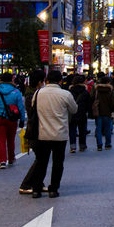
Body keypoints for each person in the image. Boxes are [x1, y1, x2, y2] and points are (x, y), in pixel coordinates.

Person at [29, 70, 77, 198]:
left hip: (42, 132)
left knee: (41, 162)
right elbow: (74, 109)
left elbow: (33, 107)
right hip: (59, 134)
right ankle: (53, 189)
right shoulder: (65, 94)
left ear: (47, 80)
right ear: (60, 81)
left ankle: (36, 189)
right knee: (58, 162)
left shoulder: (38, 93)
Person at [19, 70, 46, 195]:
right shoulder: (33, 95)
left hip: (36, 128)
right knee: (41, 158)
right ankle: (26, 184)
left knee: (42, 158)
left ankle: (39, 183)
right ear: (40, 81)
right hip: (35, 130)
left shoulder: (31, 93)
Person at [0, 72, 25, 169]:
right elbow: (21, 107)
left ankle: (2, 161)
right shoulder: (16, 91)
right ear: (11, 79)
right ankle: (11, 158)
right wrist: (22, 119)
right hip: (12, 118)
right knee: (11, 139)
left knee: (1, 140)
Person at [92, 76, 114, 151]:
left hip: (98, 111)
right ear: (108, 82)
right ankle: (108, 144)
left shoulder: (96, 90)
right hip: (107, 111)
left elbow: (92, 98)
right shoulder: (110, 90)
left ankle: (99, 145)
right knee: (107, 128)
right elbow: (113, 102)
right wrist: (113, 109)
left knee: (98, 128)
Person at [69, 75, 92, 153]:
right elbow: (89, 103)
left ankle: (73, 146)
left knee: (72, 129)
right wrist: (89, 112)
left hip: (72, 113)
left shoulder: (70, 91)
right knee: (82, 130)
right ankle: (82, 145)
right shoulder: (85, 92)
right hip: (82, 112)